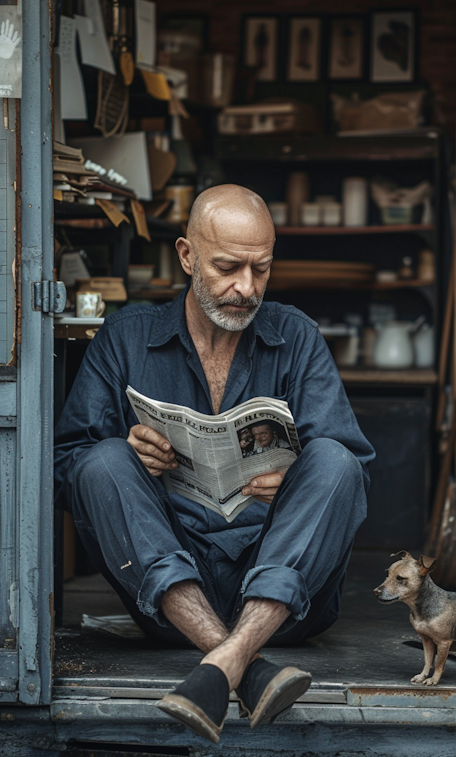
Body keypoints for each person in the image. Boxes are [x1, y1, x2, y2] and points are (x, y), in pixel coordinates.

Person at [54, 184, 375, 744]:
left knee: (335, 462)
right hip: (170, 593)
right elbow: (64, 470)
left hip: (286, 595)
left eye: (261, 270)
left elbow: (354, 477)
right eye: (228, 267)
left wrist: (294, 480)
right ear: (186, 256)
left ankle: (219, 666)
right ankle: (244, 666)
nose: (245, 288)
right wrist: (131, 455)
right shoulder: (126, 339)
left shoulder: (295, 336)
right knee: (101, 461)